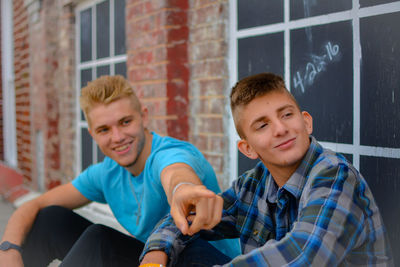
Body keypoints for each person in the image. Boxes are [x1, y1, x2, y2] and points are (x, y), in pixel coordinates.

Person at [139, 72, 393, 266]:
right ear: (248, 148)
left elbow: (302, 256)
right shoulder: (251, 185)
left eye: (286, 115)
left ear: (306, 122)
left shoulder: (335, 175)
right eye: (262, 125)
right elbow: (186, 219)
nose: (280, 129)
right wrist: (155, 255)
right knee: (182, 250)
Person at [0, 75, 239, 267]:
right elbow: (35, 205)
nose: (118, 137)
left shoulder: (169, 153)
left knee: (100, 240)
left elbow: (176, 173)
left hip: (211, 262)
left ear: (143, 117)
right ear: (92, 134)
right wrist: (9, 250)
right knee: (51, 219)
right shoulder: (106, 173)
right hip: (154, 259)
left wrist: (183, 189)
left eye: (126, 122)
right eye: (104, 129)